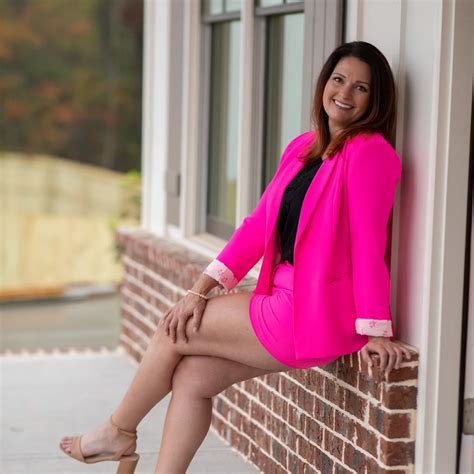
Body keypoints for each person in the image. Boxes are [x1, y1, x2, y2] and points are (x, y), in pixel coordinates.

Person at [59, 40, 413, 474]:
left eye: (361, 87)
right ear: (324, 83)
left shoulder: (371, 153)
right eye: (338, 80)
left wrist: (375, 329)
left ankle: (117, 432)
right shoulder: (303, 147)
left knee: (174, 330)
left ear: (376, 100)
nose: (345, 93)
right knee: (192, 378)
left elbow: (369, 244)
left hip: (310, 311)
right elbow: (257, 226)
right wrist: (200, 289)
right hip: (283, 295)